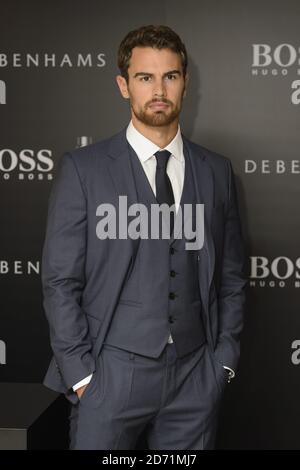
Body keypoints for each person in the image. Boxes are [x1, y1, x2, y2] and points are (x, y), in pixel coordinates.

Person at [41, 24, 246, 450]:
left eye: (170, 76)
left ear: (185, 84)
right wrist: (83, 377)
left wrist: (221, 364)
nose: (159, 89)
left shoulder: (216, 171)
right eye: (145, 77)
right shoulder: (84, 169)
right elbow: (60, 281)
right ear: (123, 85)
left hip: (195, 376)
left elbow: (231, 278)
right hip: (111, 374)